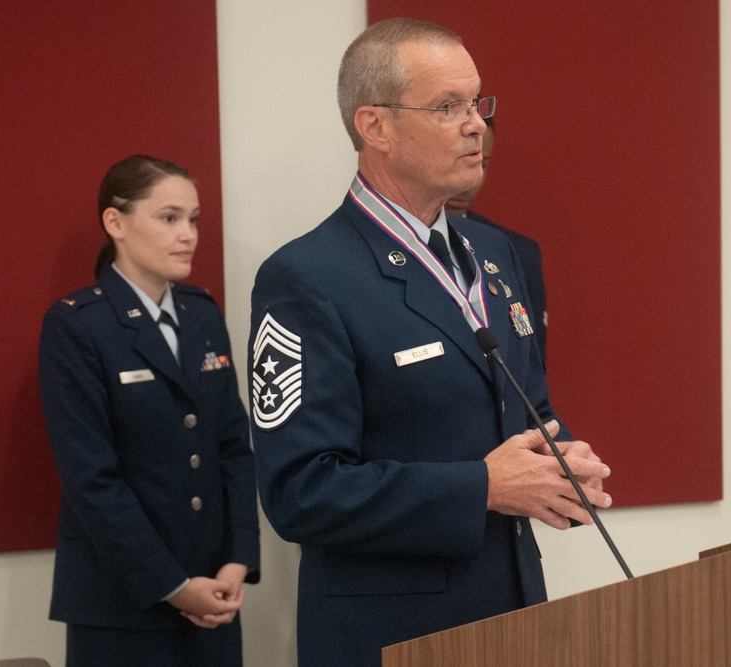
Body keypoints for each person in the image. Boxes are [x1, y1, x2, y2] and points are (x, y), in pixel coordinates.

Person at [249, 18, 611, 667]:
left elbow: (525, 406)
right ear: (375, 126)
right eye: (448, 107)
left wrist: (559, 459)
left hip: (515, 617)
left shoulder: (497, 252)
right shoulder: (307, 278)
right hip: (394, 635)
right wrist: (483, 486)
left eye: (476, 103)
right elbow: (300, 492)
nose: (475, 123)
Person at [38, 155, 260, 666]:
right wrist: (173, 585)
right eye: (169, 218)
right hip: (123, 603)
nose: (189, 234)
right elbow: (91, 479)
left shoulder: (201, 313)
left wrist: (238, 558)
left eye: (194, 218)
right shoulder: (78, 326)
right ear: (116, 222)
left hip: (213, 594)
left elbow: (232, 444)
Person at [445, 117, 550, 363]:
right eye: (459, 162)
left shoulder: (518, 252)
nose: (467, 182)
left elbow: (532, 366)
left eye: (481, 163)